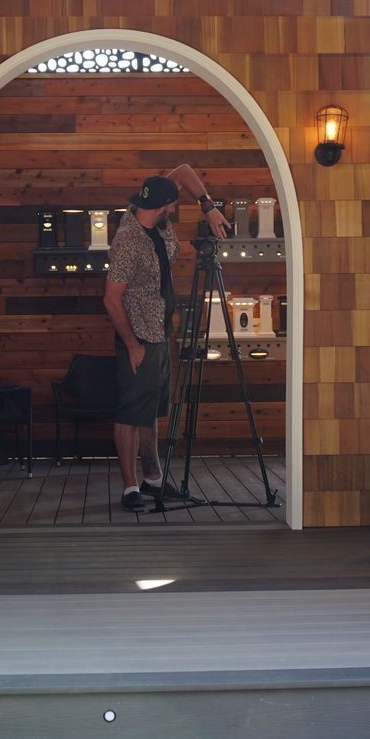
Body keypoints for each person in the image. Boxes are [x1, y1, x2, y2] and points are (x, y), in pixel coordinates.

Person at [102, 164, 232, 511]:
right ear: (162, 206)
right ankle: (130, 487)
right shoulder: (128, 242)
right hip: (140, 337)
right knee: (131, 413)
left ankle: (153, 478)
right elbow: (111, 299)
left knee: (150, 411)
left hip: (159, 331)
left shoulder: (153, 218)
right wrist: (132, 346)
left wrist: (208, 206)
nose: (175, 208)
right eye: (172, 205)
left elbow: (184, 171)